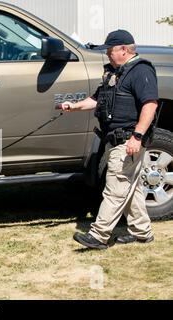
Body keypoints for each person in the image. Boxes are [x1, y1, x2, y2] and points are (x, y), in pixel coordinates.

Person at [59, 30, 158, 249]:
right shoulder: (116, 73)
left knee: (115, 188)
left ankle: (99, 235)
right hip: (115, 139)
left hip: (128, 140)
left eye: (110, 51)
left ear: (124, 49)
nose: (107, 56)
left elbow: (150, 105)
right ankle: (142, 232)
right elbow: (97, 99)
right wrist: (73, 106)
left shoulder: (141, 71)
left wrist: (137, 137)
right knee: (131, 189)